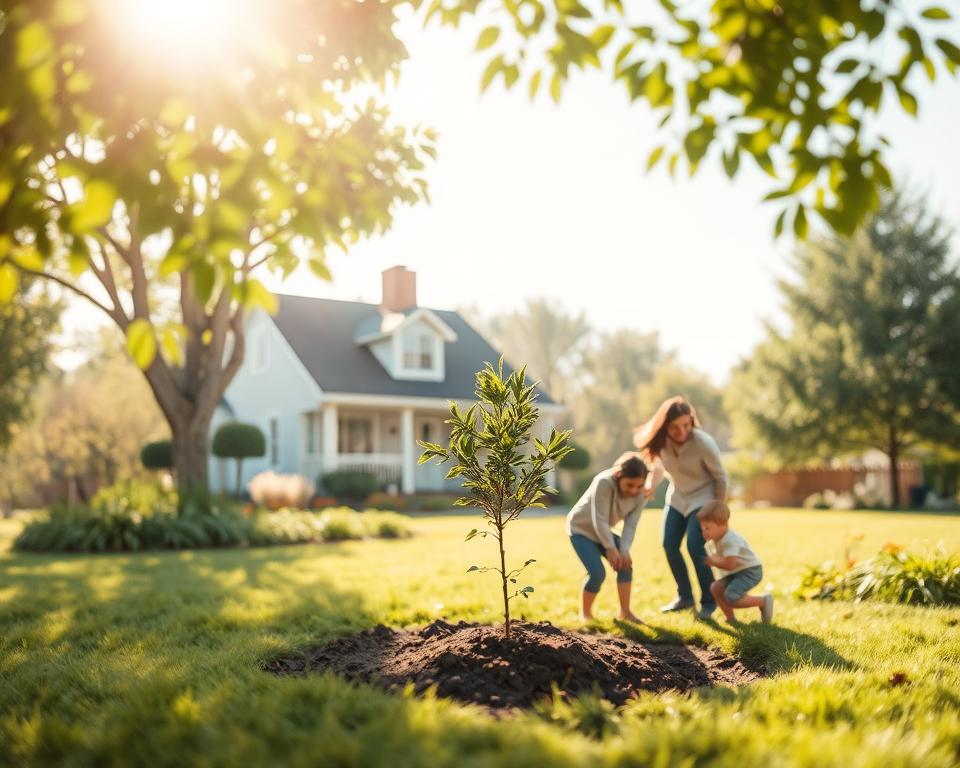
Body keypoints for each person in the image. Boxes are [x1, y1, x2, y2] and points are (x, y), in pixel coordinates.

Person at [634, 396, 728, 619]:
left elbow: (721, 478)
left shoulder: (703, 442)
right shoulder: (660, 443)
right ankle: (684, 597)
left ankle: (709, 600)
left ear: (692, 421)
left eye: (686, 425)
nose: (682, 431)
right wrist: (649, 484)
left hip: (703, 498)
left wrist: (718, 511)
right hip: (677, 498)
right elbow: (657, 469)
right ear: (665, 426)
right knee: (669, 544)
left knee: (695, 545)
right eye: (675, 427)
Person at [565, 451, 651, 622]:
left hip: (602, 532)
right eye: (629, 485)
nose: (634, 490)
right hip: (581, 530)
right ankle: (586, 615)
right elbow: (600, 519)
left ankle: (625, 613)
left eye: (639, 486)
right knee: (597, 573)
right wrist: (611, 548)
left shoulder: (642, 493)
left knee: (625, 565)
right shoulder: (604, 482)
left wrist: (624, 550)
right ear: (618, 475)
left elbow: (631, 525)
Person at [698, 500, 773, 624]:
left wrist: (715, 561)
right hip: (735, 572)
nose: (704, 532)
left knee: (731, 596)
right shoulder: (712, 541)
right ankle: (731, 619)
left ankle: (763, 601)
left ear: (723, 525)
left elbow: (730, 564)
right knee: (715, 588)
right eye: (702, 529)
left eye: (707, 528)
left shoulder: (730, 540)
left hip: (750, 571)